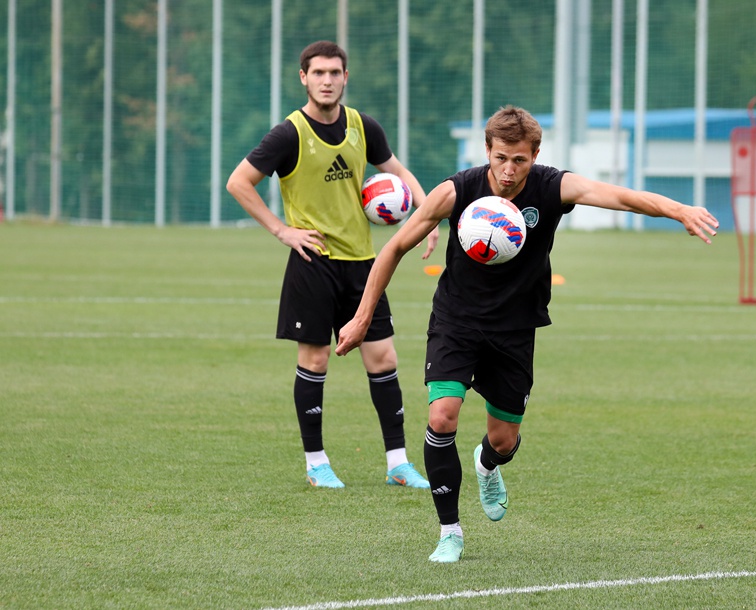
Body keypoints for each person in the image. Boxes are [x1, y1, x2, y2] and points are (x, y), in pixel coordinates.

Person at [334, 106, 718, 562]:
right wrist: (361, 318)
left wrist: (678, 210)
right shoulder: (457, 191)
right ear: (488, 152)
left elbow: (619, 196)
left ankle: (487, 465)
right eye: (501, 158)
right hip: (457, 320)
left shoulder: (553, 186)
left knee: (504, 441)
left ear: (535, 154)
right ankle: (450, 532)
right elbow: (395, 247)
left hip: (515, 329)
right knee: (442, 418)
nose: (509, 170)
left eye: (519, 160)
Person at [226, 40, 438, 490]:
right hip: (313, 262)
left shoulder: (364, 126)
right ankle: (316, 463)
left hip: (364, 263)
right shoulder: (288, 133)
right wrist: (283, 231)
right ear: (303, 77)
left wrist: (428, 215)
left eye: (334, 73)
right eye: (318, 73)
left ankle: (398, 463)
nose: (326, 80)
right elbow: (238, 182)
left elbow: (399, 172)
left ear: (346, 77)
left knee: (383, 358)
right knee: (316, 359)